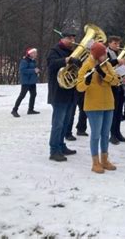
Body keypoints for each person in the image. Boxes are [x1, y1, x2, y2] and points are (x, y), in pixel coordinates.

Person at [77, 42, 120, 174]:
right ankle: (95, 162)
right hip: (93, 105)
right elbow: (79, 87)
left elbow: (116, 81)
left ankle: (105, 160)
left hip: (108, 104)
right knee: (96, 134)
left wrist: (104, 75)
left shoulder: (106, 65)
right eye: (102, 54)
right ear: (96, 55)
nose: (105, 55)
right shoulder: (86, 66)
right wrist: (87, 81)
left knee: (105, 134)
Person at [47, 30, 79, 162]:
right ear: (63, 39)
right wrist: (66, 60)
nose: (72, 41)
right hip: (59, 92)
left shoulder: (72, 51)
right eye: (70, 38)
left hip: (70, 92)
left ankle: (61, 145)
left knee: (66, 123)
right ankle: (54, 150)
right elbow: (51, 65)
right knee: (58, 123)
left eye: (73, 38)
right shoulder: (54, 50)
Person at [107, 35, 125, 144]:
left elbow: (122, 69)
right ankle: (112, 134)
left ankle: (117, 132)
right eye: (115, 43)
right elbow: (106, 66)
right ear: (109, 43)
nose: (118, 46)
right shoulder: (106, 53)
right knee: (113, 111)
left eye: (119, 44)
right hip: (111, 87)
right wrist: (117, 61)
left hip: (120, 86)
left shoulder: (119, 54)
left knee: (119, 111)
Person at [11, 48, 40, 118]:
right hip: (26, 81)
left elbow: (33, 69)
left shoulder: (33, 61)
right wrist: (34, 70)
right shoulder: (24, 61)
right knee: (22, 95)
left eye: (36, 53)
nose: (36, 54)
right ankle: (14, 110)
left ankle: (30, 109)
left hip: (32, 81)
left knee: (33, 94)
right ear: (30, 54)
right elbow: (22, 70)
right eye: (35, 53)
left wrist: (37, 71)